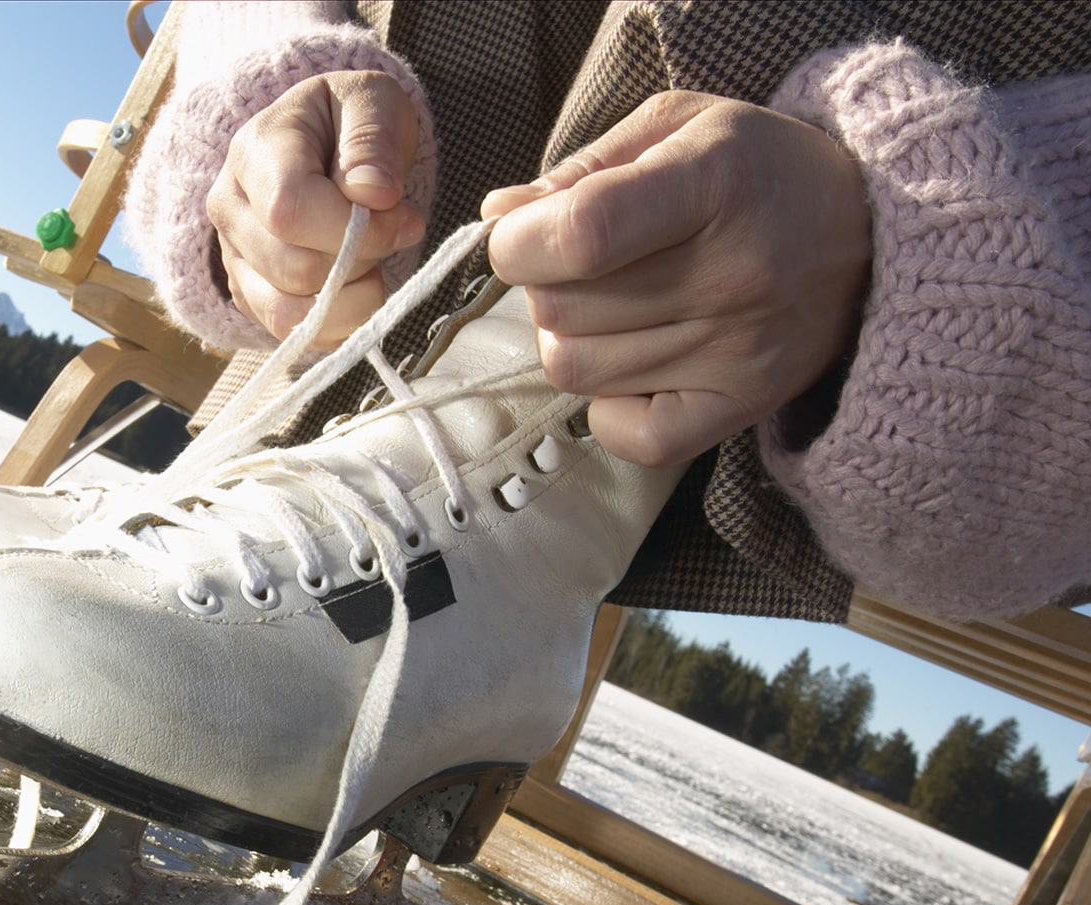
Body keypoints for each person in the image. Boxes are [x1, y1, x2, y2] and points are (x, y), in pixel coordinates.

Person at [122, 0, 1091, 624]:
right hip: (400, 235)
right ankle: (341, 469)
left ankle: (462, 548)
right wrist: (270, 73)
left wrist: (927, 223)